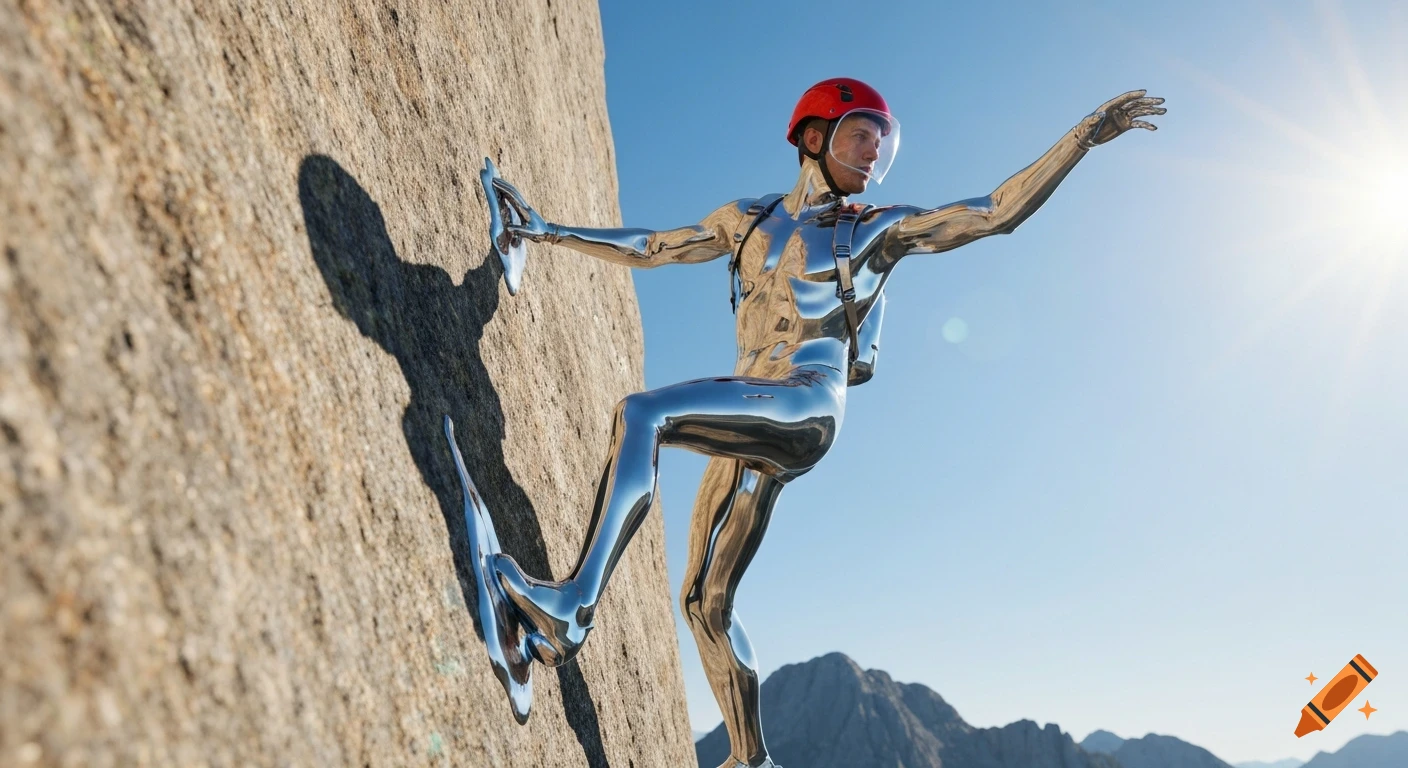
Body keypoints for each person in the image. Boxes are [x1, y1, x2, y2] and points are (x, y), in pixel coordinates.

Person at [483, 78, 1164, 768]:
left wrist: (1083, 137)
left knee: (644, 413)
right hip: (754, 405)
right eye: (860, 135)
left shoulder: (872, 229)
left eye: (881, 141)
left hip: (805, 404)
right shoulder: (746, 220)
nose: (874, 153)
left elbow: (993, 213)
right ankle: (752, 761)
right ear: (813, 137)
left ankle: (570, 611)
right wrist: (547, 231)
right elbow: (656, 246)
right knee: (704, 600)